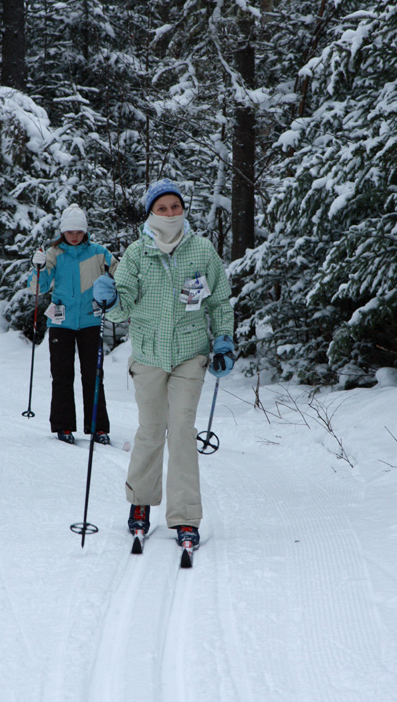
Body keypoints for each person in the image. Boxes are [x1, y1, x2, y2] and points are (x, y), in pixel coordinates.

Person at [92, 179, 235, 548]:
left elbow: (219, 301)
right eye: (162, 208)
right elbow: (122, 306)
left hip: (190, 353)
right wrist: (109, 300)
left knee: (182, 430)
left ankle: (186, 516)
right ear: (151, 213)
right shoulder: (137, 254)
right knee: (151, 430)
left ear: (183, 209)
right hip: (149, 355)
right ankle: (140, 502)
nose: (170, 213)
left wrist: (223, 338)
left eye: (175, 207)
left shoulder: (202, 250)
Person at [29, 204, 118, 445]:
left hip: (91, 320)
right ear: (63, 232)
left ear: (85, 231)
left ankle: (98, 428)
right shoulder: (54, 253)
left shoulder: (99, 252)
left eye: (79, 231)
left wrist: (113, 290)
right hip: (61, 323)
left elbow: (121, 274)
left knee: (93, 375)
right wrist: (37, 268)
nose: (75, 236)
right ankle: (63, 426)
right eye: (70, 232)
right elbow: (38, 288)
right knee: (61, 375)